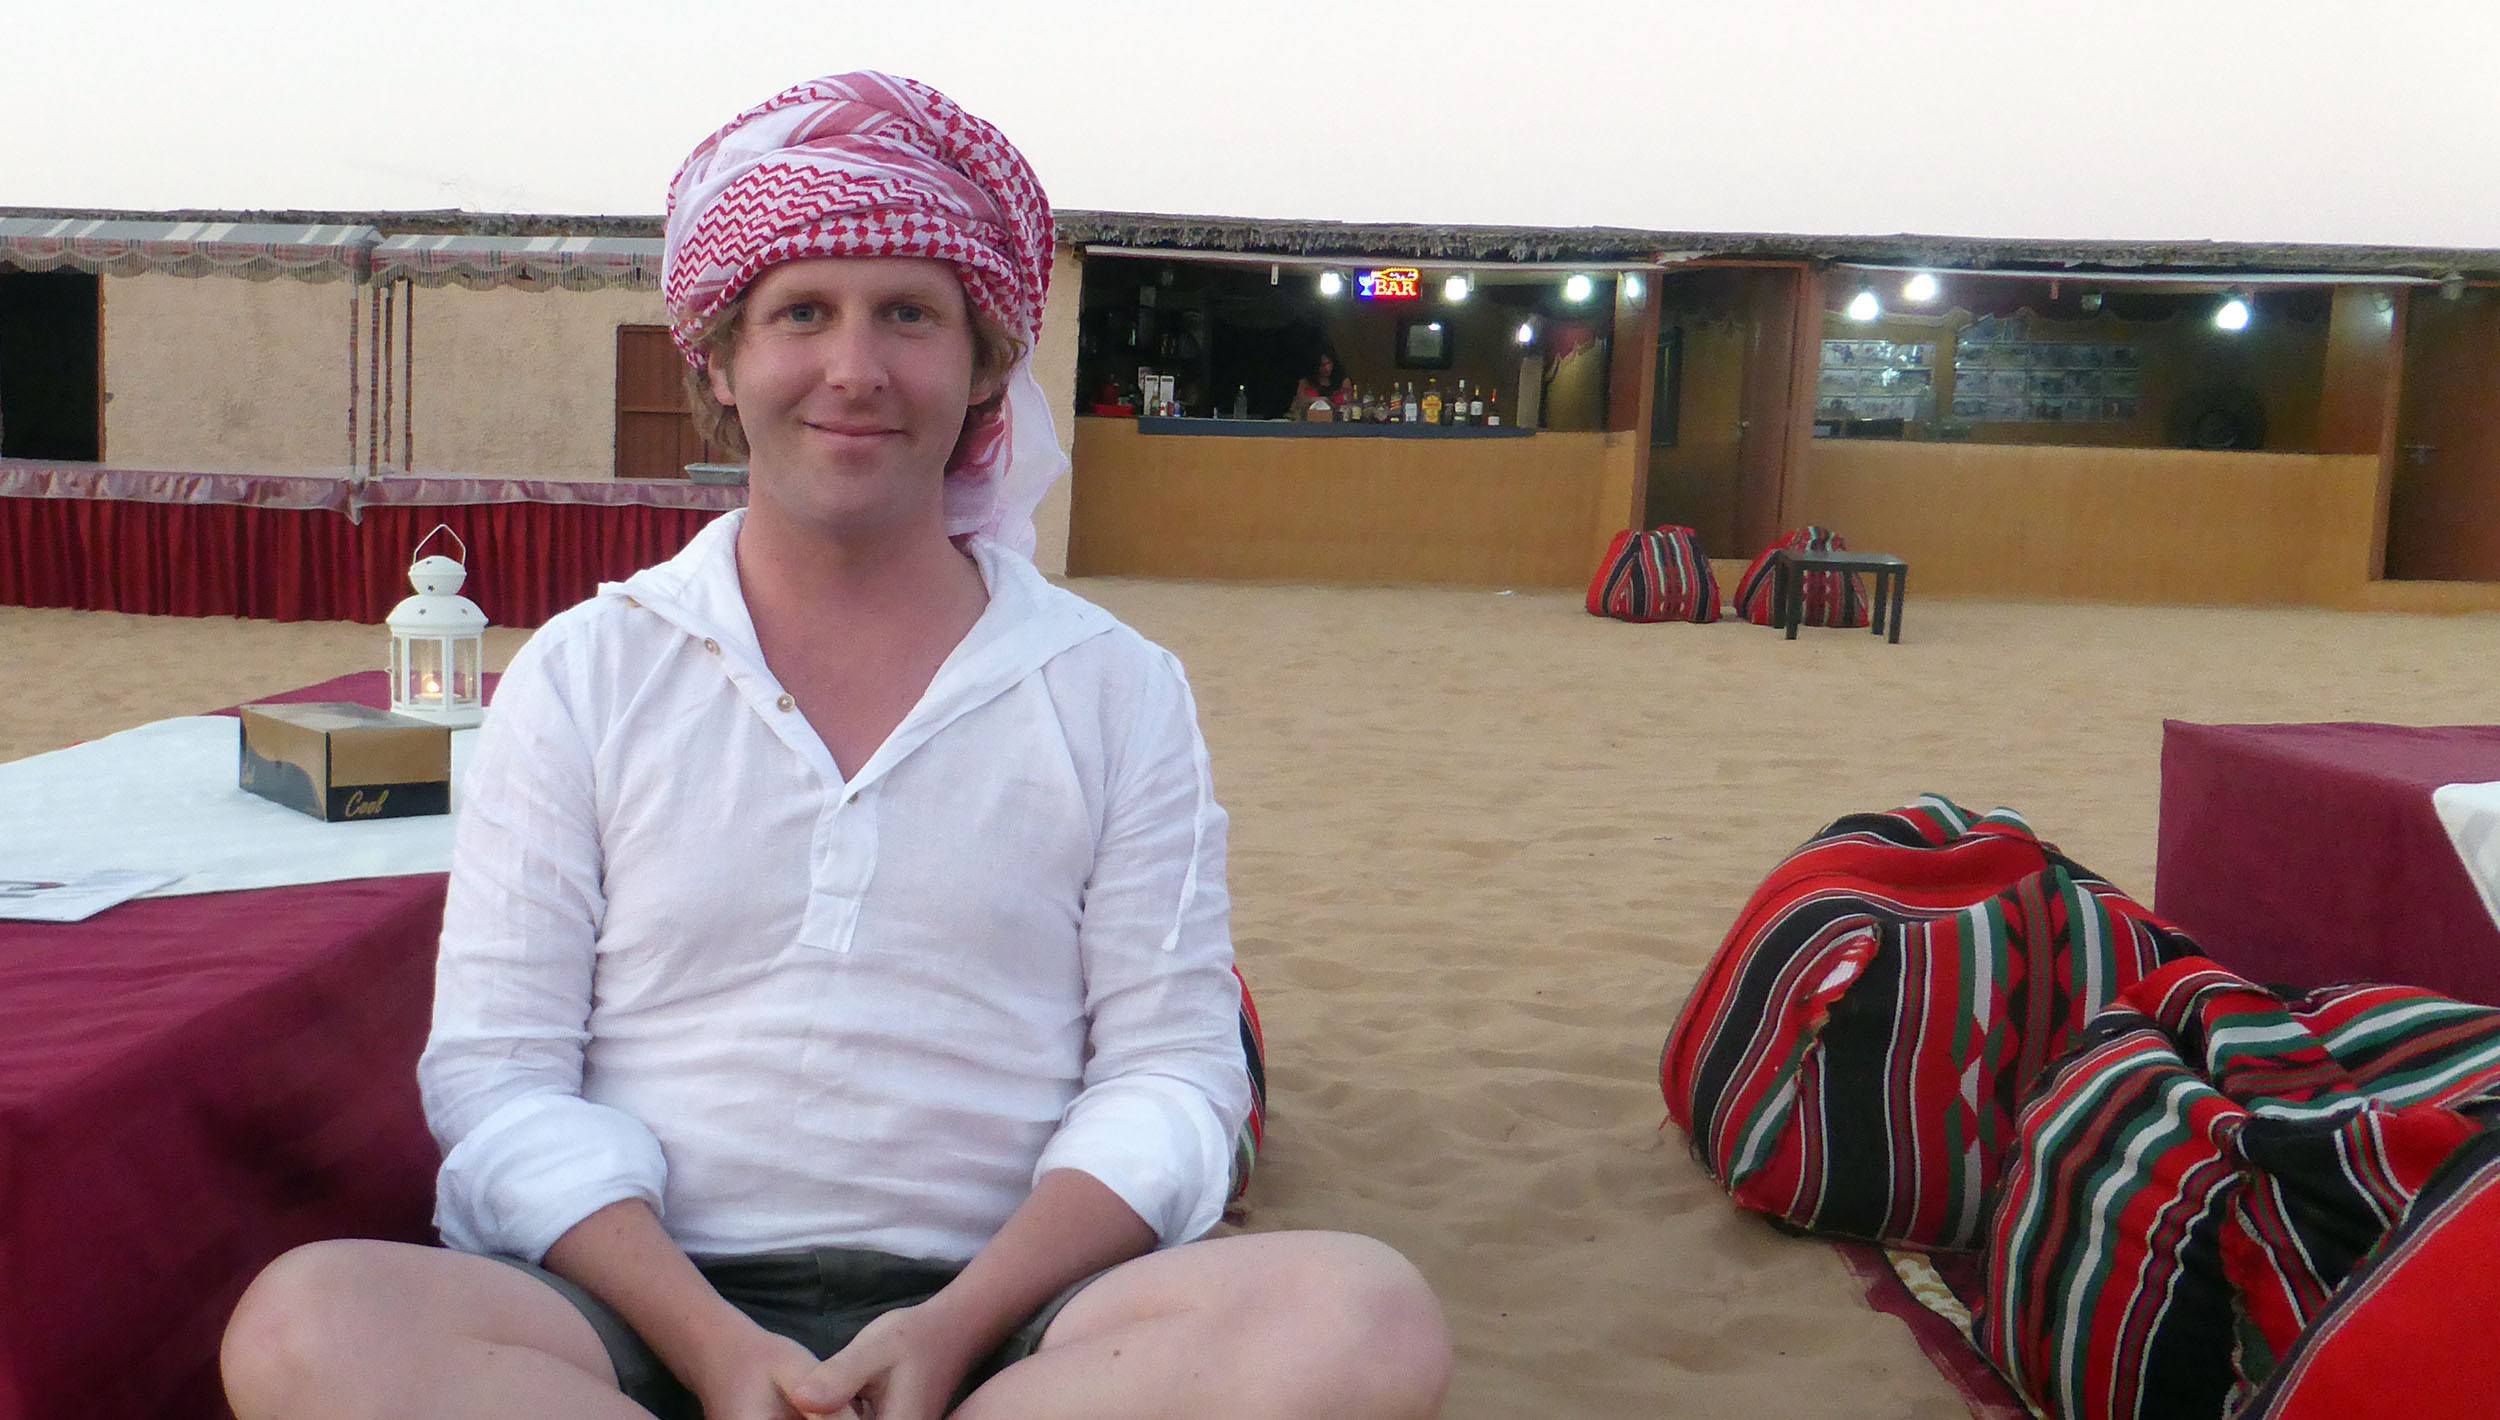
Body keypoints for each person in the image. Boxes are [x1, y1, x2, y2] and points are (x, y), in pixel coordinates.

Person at [218, 72, 1451, 1420]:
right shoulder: (591, 668)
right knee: (309, 1322)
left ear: (984, 365)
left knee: (1363, 1315)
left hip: (1018, 1317)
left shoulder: (1110, 687)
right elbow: (498, 1074)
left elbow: (1173, 1071)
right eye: (802, 312)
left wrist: (953, 1326)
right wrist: (713, 1348)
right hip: (640, 1308)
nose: (855, 372)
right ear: (721, 362)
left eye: (910, 316)